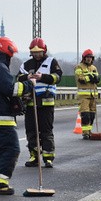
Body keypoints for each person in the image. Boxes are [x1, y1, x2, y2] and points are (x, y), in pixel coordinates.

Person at [0, 37, 32, 195]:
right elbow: (11, 89)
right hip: (1, 118)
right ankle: (0, 183)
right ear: (6, 54)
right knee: (12, 149)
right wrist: (29, 84)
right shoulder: (0, 68)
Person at [16, 37, 63, 167]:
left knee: (46, 131)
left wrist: (43, 77)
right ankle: (34, 156)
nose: (37, 55)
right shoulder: (26, 64)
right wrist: (27, 77)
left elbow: (57, 77)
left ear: (44, 51)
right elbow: (18, 77)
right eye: (34, 52)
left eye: (39, 52)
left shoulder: (51, 62)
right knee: (31, 131)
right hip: (30, 103)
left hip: (46, 103)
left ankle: (48, 157)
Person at [74, 49, 100, 139]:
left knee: (92, 115)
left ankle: (89, 131)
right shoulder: (79, 67)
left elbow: (98, 80)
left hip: (93, 95)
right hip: (83, 96)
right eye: (87, 57)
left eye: (90, 57)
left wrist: (94, 78)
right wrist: (90, 77)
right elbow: (80, 79)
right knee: (85, 114)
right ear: (84, 58)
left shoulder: (94, 68)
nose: (89, 59)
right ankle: (85, 133)